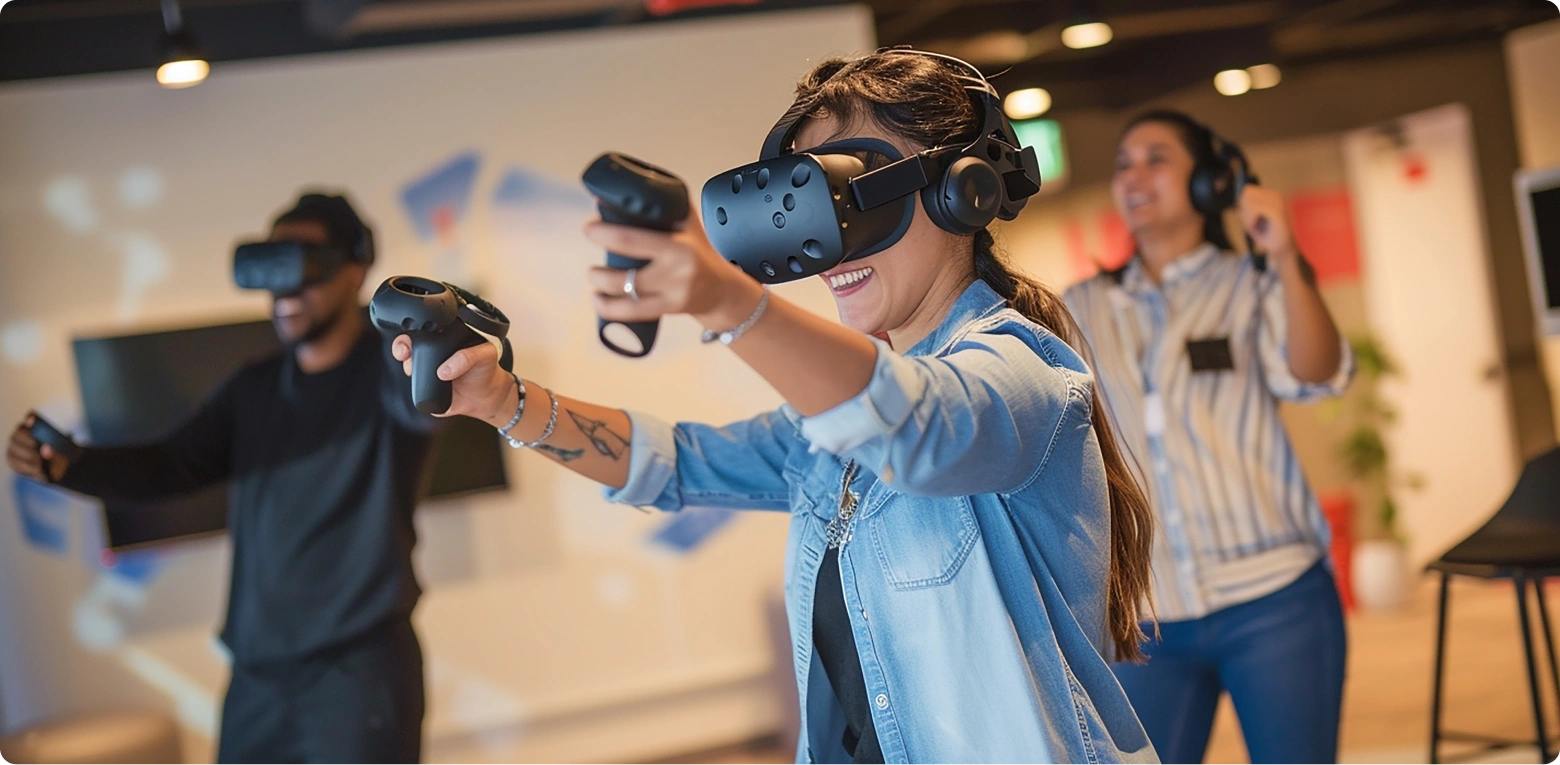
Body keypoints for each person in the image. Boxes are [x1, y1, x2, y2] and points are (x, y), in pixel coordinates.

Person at [398, 49, 1158, 765]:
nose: (832, 246)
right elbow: (677, 462)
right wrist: (502, 401)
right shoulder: (827, 433)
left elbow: (920, 428)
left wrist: (729, 303)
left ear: (962, 190)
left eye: (852, 197)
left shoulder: (1025, 372)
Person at [7, 193, 433, 765]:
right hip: (257, 676)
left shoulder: (390, 376)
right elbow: (170, 465)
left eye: (305, 265)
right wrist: (72, 466)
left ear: (355, 269)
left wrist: (435, 340)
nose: (285, 289)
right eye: (272, 267)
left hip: (357, 674)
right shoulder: (253, 388)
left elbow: (426, 404)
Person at [1063, 110, 1354, 765]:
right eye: (1123, 164)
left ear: (1209, 182)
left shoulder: (1253, 283)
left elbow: (1319, 372)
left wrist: (1284, 255)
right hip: (1147, 615)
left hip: (1275, 598)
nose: (1134, 176)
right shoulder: (1079, 307)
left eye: (1156, 159)